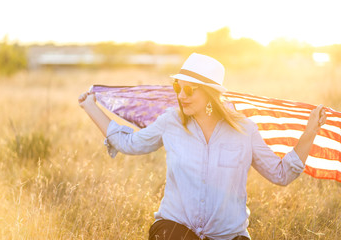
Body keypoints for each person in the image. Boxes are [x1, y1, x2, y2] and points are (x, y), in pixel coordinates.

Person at [78, 53, 327, 240]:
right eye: (178, 87)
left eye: (189, 89)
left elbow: (281, 174)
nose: (181, 95)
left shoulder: (244, 130)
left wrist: (309, 133)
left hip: (228, 236)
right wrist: (91, 107)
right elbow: (128, 143)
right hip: (174, 230)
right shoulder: (171, 121)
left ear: (210, 94)